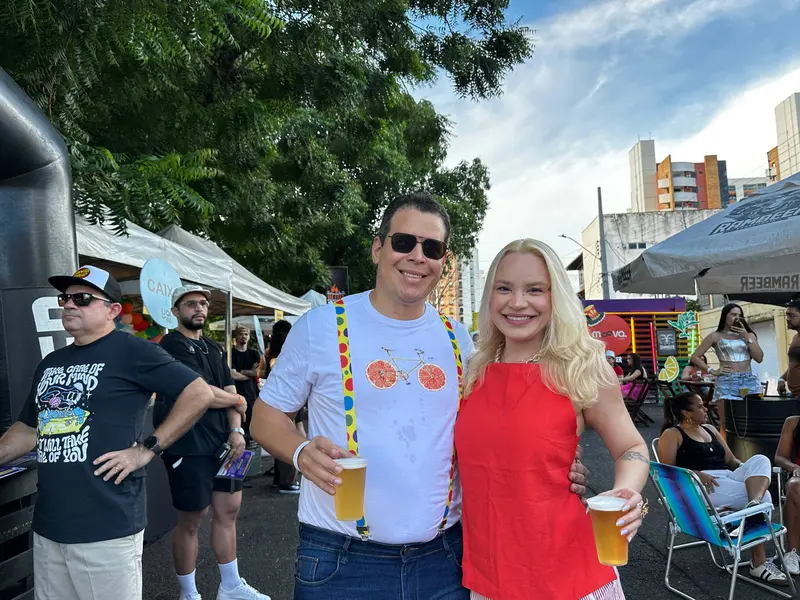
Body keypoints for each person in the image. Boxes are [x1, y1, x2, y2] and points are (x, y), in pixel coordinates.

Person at [250, 192, 589, 599]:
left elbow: (497, 432)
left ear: (444, 261)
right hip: (342, 560)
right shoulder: (320, 327)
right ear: (378, 248)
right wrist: (302, 451)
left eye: (432, 247)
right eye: (403, 242)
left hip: (445, 559)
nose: (417, 256)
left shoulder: (463, 343)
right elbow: (265, 416)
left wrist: (558, 465)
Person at [0, 265, 215, 600]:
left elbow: (199, 393)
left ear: (114, 310)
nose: (69, 305)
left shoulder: (133, 350)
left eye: (82, 299)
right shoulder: (50, 363)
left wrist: (146, 448)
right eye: (66, 298)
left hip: (107, 525)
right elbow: (29, 430)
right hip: (49, 526)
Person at [456, 239, 648, 599]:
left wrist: (628, 493)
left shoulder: (583, 367)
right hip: (489, 577)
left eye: (534, 290)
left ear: (555, 296)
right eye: (504, 288)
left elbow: (631, 447)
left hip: (570, 577)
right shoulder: (473, 371)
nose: (517, 302)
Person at [155, 285, 269, 600]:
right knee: (193, 517)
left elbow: (230, 394)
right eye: (190, 304)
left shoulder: (215, 348)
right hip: (188, 445)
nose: (199, 308)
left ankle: (230, 586)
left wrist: (237, 432)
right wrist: (233, 399)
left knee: (230, 510)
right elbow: (202, 392)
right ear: (175, 311)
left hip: (227, 444)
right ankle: (188, 593)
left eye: (203, 303)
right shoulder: (170, 345)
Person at [658, 392, 788, 584]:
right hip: (700, 486)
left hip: (726, 477)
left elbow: (730, 460)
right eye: (700, 406)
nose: (706, 409)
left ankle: (753, 503)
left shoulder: (710, 429)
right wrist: (695, 473)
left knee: (760, 460)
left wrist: (749, 471)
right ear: (686, 413)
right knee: (766, 497)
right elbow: (667, 472)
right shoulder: (672, 434)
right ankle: (758, 562)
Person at [690, 303, 764, 438]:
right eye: (734, 314)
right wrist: (712, 370)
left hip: (748, 379)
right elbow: (695, 356)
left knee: (750, 419)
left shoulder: (749, 335)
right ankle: (726, 454)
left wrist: (747, 338)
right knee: (726, 422)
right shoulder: (716, 336)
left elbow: (759, 358)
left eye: (740, 315)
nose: (737, 318)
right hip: (727, 380)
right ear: (725, 316)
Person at [774, 411, 800, 575]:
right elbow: (780, 457)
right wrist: (794, 467)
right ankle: (792, 552)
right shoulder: (793, 422)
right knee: (794, 487)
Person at [230, 326, 262, 438]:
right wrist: (251, 373)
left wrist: (242, 371)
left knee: (252, 429)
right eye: (241, 334)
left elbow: (259, 372)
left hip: (252, 395)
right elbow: (233, 375)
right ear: (236, 336)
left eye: (246, 334)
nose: (243, 336)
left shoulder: (254, 353)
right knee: (238, 428)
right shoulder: (230, 354)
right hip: (235, 395)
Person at [778, 300, 800, 398]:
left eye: (792, 315)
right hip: (794, 396)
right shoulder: (796, 338)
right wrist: (782, 379)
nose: (787, 319)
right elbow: (795, 364)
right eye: (787, 315)